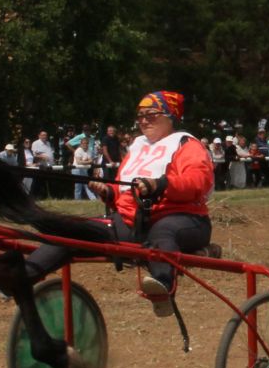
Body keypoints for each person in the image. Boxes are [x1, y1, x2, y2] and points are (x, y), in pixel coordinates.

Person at [24, 90, 215, 313]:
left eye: (150, 114)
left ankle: (163, 288)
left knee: (163, 233)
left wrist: (160, 184)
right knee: (72, 231)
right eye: (140, 115)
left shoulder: (187, 144)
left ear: (169, 115)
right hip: (130, 223)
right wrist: (109, 192)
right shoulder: (138, 147)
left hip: (181, 219)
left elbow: (198, 181)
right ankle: (21, 275)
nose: (143, 120)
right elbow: (123, 187)